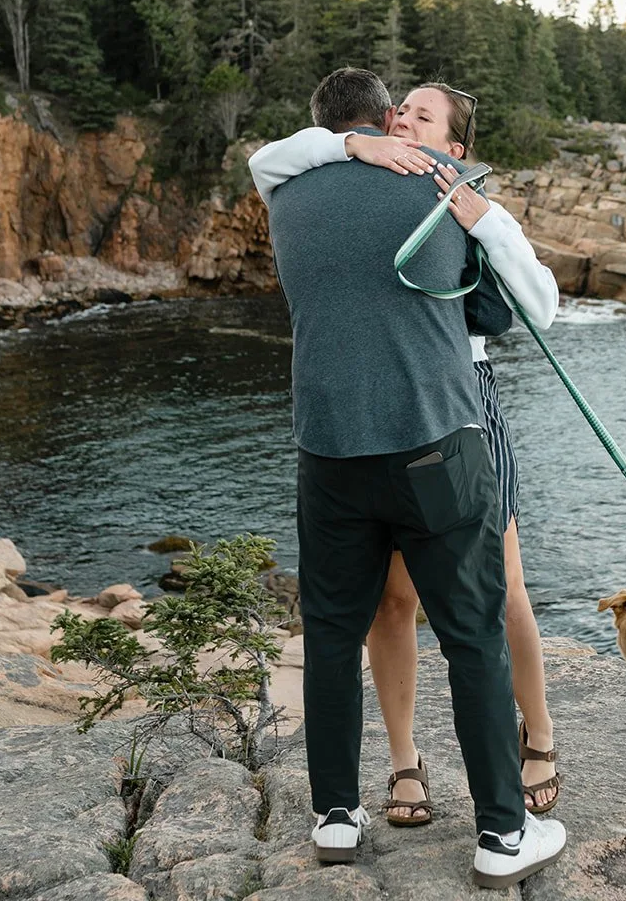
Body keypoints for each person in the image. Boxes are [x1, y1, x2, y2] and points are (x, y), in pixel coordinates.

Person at [251, 68, 566, 886]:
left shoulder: (285, 192)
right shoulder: (443, 184)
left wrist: (350, 143)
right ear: (387, 122)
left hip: (329, 452)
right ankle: (502, 836)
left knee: (330, 633)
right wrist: (483, 215)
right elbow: (538, 305)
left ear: (323, 126)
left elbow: (269, 155)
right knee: (471, 633)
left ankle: (335, 817)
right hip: (434, 445)